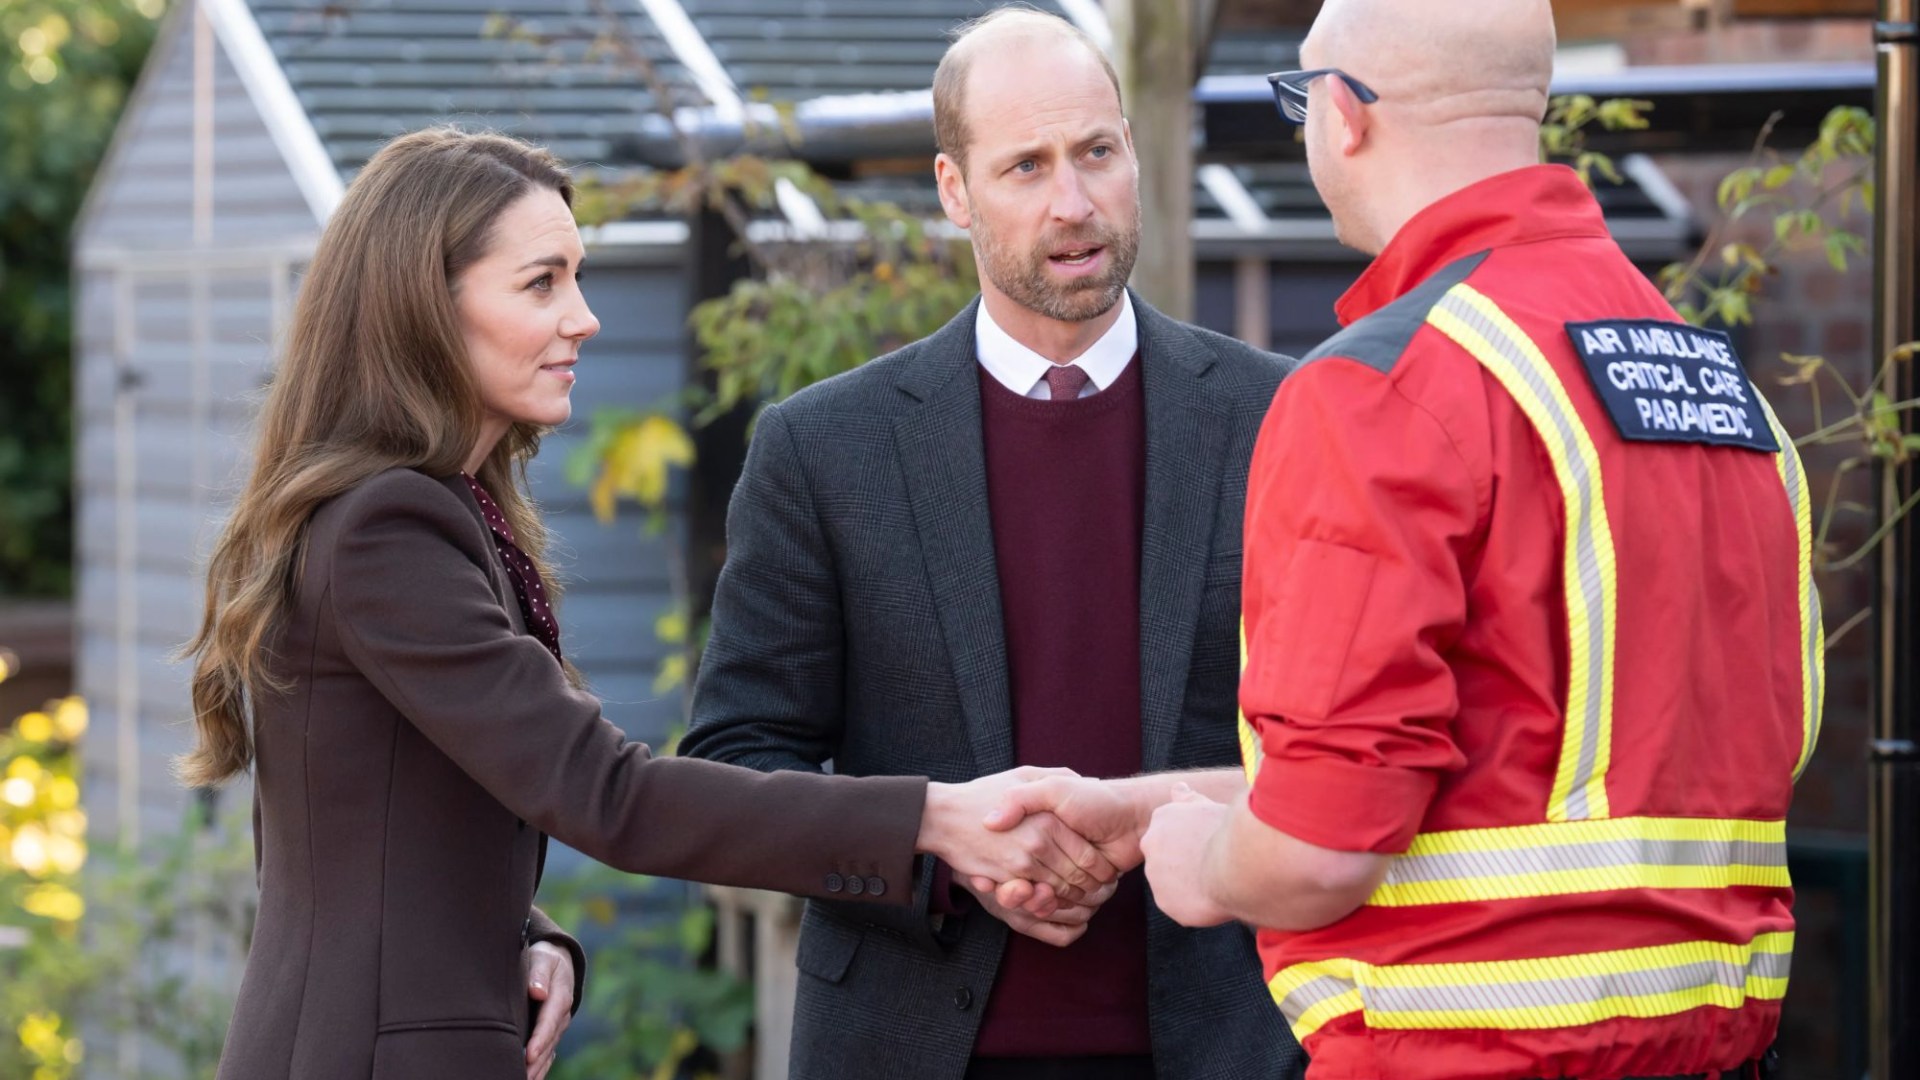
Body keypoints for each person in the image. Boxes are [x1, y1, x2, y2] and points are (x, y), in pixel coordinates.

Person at [181, 126, 1126, 1080]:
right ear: (426, 308)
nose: (584, 317)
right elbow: (609, 794)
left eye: (577, 277)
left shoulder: (437, 510)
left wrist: (523, 931)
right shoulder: (389, 530)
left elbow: (370, 830)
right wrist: (932, 818)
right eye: (542, 283)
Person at [988, 1, 1821, 1078]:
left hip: (1466, 1050)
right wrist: (1152, 808)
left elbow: (1325, 846)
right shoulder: (1715, 388)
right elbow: (1512, 782)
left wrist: (1206, 864)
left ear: (1343, 115)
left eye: (1301, 98)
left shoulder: (1385, 388)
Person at [677, 9, 1302, 1080]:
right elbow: (734, 771)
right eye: (1026, 166)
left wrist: (1153, 820)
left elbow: (1331, 745)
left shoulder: (1276, 417)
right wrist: (934, 839)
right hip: (910, 1043)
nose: (1074, 202)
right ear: (955, 190)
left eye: (1097, 153)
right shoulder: (825, 451)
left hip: (1221, 1042)